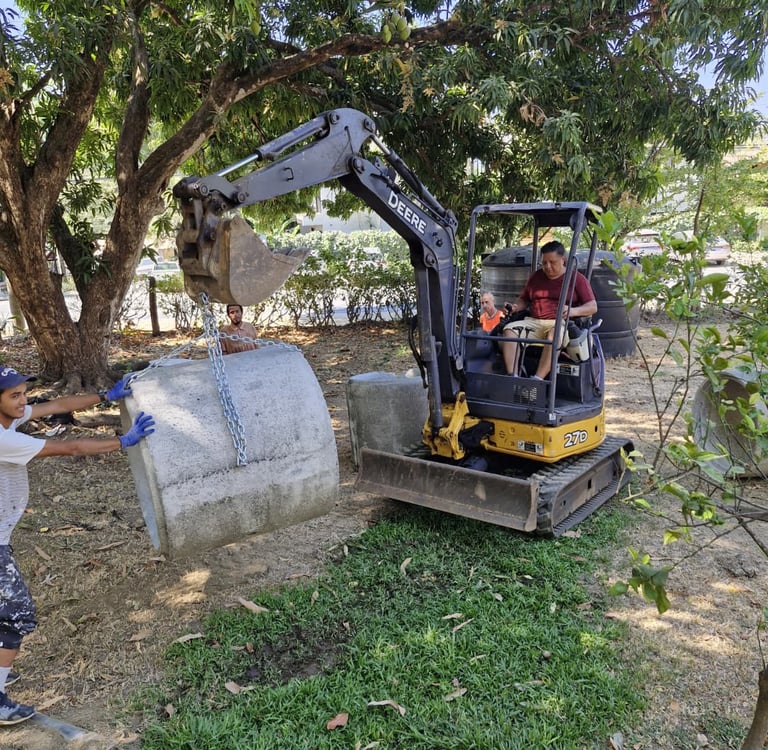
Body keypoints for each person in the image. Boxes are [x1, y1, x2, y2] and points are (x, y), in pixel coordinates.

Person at [0, 369, 154, 725]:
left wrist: (105, 396)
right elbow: (67, 447)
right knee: (16, 615)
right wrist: (123, 441)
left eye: (23, 393)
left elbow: (56, 405)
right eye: (15, 396)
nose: (23, 401)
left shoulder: (10, 417)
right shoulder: (3, 439)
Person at [501, 240, 597, 380]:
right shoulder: (536, 276)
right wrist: (515, 307)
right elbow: (524, 299)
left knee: (554, 334)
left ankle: (537, 379)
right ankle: (513, 377)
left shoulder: (577, 279)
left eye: (552, 262)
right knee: (509, 331)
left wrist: (573, 311)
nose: (547, 266)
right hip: (534, 322)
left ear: (563, 260)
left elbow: (592, 306)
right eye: (544, 262)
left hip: (561, 323)